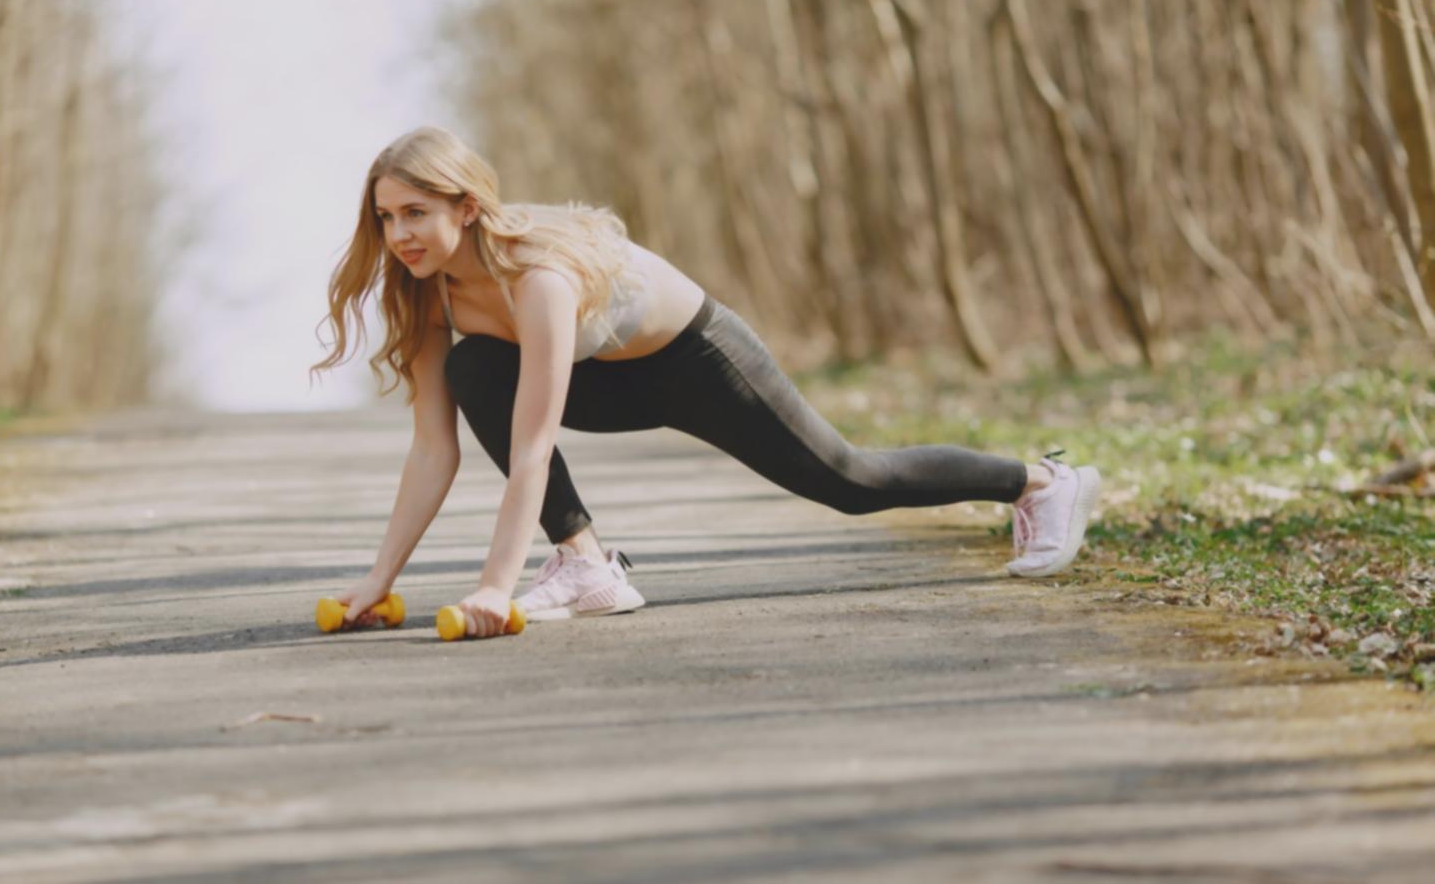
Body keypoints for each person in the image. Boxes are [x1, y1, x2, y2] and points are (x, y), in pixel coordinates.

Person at [312, 126, 1101, 638]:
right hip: (607, 377)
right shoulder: (421, 294)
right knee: (474, 365)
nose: (399, 235)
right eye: (385, 218)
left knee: (850, 480)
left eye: (415, 212)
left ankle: (1040, 480)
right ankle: (586, 564)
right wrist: (376, 584)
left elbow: (532, 449)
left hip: (698, 359)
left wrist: (494, 587)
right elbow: (430, 450)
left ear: (468, 206)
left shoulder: (536, 276)